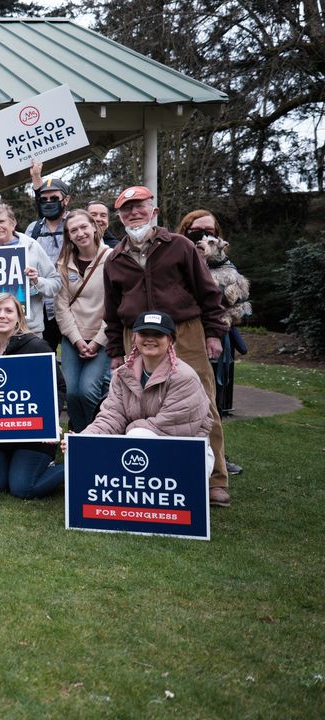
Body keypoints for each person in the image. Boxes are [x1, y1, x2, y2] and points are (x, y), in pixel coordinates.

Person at [104, 185, 231, 507]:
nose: (134, 213)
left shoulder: (180, 246)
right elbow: (111, 309)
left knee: (202, 404)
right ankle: (148, 473)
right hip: (135, 334)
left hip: (184, 332)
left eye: (140, 207)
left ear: (154, 210)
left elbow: (207, 293)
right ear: (119, 217)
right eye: (127, 209)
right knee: (133, 403)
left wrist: (214, 332)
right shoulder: (115, 259)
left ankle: (216, 479)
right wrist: (117, 352)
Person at [0, 293, 66, 500]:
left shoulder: (36, 346)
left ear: (19, 317)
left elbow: (58, 387)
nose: (1, 316)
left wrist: (50, 422)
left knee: (21, 488)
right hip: (1, 432)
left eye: (8, 311)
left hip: (33, 432)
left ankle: (73, 466)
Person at [177, 210, 251, 465]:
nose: (204, 237)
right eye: (197, 231)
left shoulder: (225, 266)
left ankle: (217, 461)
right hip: (184, 332)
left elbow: (238, 299)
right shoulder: (177, 256)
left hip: (217, 331)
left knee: (211, 398)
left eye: (210, 232)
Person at [76, 311, 213, 441]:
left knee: (137, 435)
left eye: (158, 334)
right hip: (138, 445)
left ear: (170, 339)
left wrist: (129, 430)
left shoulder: (184, 377)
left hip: (189, 453)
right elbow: (112, 416)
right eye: (144, 333)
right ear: (134, 338)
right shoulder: (122, 375)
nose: (150, 339)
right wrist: (84, 438)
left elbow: (168, 427)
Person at [54, 209, 113, 432]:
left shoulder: (112, 258)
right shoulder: (63, 263)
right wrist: (77, 340)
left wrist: (97, 341)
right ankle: (79, 437)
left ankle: (95, 433)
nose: (80, 233)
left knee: (88, 391)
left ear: (94, 227)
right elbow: (61, 306)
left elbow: (114, 306)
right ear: (68, 235)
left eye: (83, 227)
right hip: (73, 336)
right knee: (71, 391)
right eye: (73, 230)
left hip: (102, 337)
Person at [0, 203, 61, 335]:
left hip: (28, 329)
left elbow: (55, 284)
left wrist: (36, 281)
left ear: (13, 223)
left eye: (1, 221)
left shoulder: (32, 247)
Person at [24, 160, 71, 351]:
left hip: (70, 303)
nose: (48, 202)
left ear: (65, 200)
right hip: (41, 305)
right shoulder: (32, 229)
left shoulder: (76, 224)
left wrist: (37, 177)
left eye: (54, 198)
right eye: (44, 199)